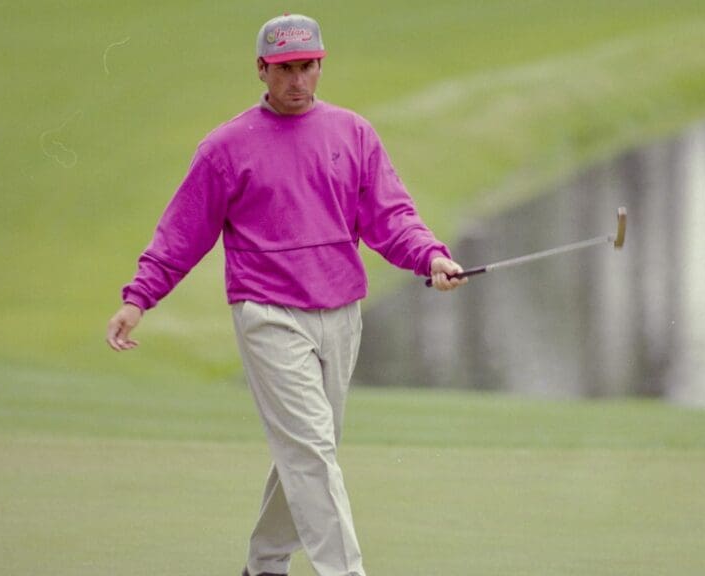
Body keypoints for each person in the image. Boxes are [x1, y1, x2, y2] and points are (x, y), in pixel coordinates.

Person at [105, 13, 466, 576]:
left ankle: (264, 565)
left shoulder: (353, 133)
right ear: (261, 70)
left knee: (308, 453)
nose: (297, 80)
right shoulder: (225, 147)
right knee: (312, 453)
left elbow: (390, 217)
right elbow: (182, 231)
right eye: (284, 69)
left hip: (341, 312)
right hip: (267, 313)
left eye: (307, 66)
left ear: (321, 65)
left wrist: (430, 255)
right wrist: (138, 297)